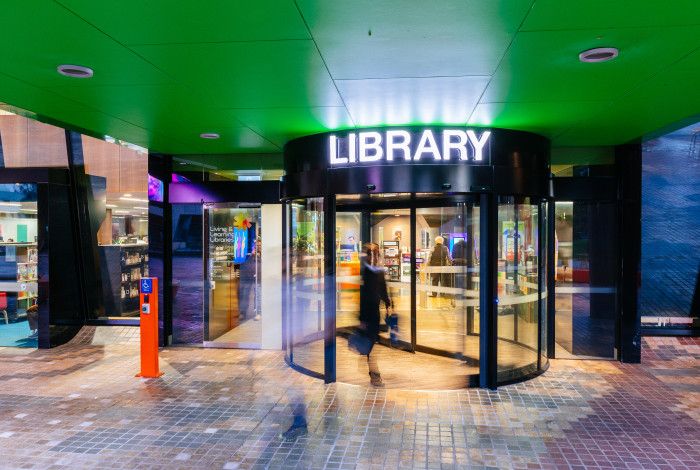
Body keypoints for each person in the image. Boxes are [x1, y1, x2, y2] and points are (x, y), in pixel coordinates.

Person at [359, 243, 392, 387]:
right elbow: (363, 295)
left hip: (375, 312)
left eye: (375, 253)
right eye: (371, 253)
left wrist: (389, 304)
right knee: (371, 342)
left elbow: (383, 289)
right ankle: (374, 374)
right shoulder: (366, 272)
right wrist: (361, 318)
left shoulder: (378, 271)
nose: (373, 256)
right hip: (367, 312)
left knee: (373, 341)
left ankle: (372, 370)